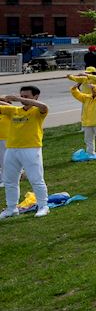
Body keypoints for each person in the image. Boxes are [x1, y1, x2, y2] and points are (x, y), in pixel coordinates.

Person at [0, 87, 49, 218]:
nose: (23, 99)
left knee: (36, 179)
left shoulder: (37, 111)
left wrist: (17, 98)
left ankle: (43, 206)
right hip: (12, 149)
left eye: (26, 96)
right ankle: (11, 208)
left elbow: (44, 106)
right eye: (22, 96)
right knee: (9, 180)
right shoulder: (14, 110)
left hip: (30, 148)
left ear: (36, 97)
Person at [68, 69, 96, 158]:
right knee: (88, 139)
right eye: (92, 89)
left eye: (94, 89)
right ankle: (90, 153)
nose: (93, 90)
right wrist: (74, 88)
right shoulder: (87, 97)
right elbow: (77, 94)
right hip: (88, 122)